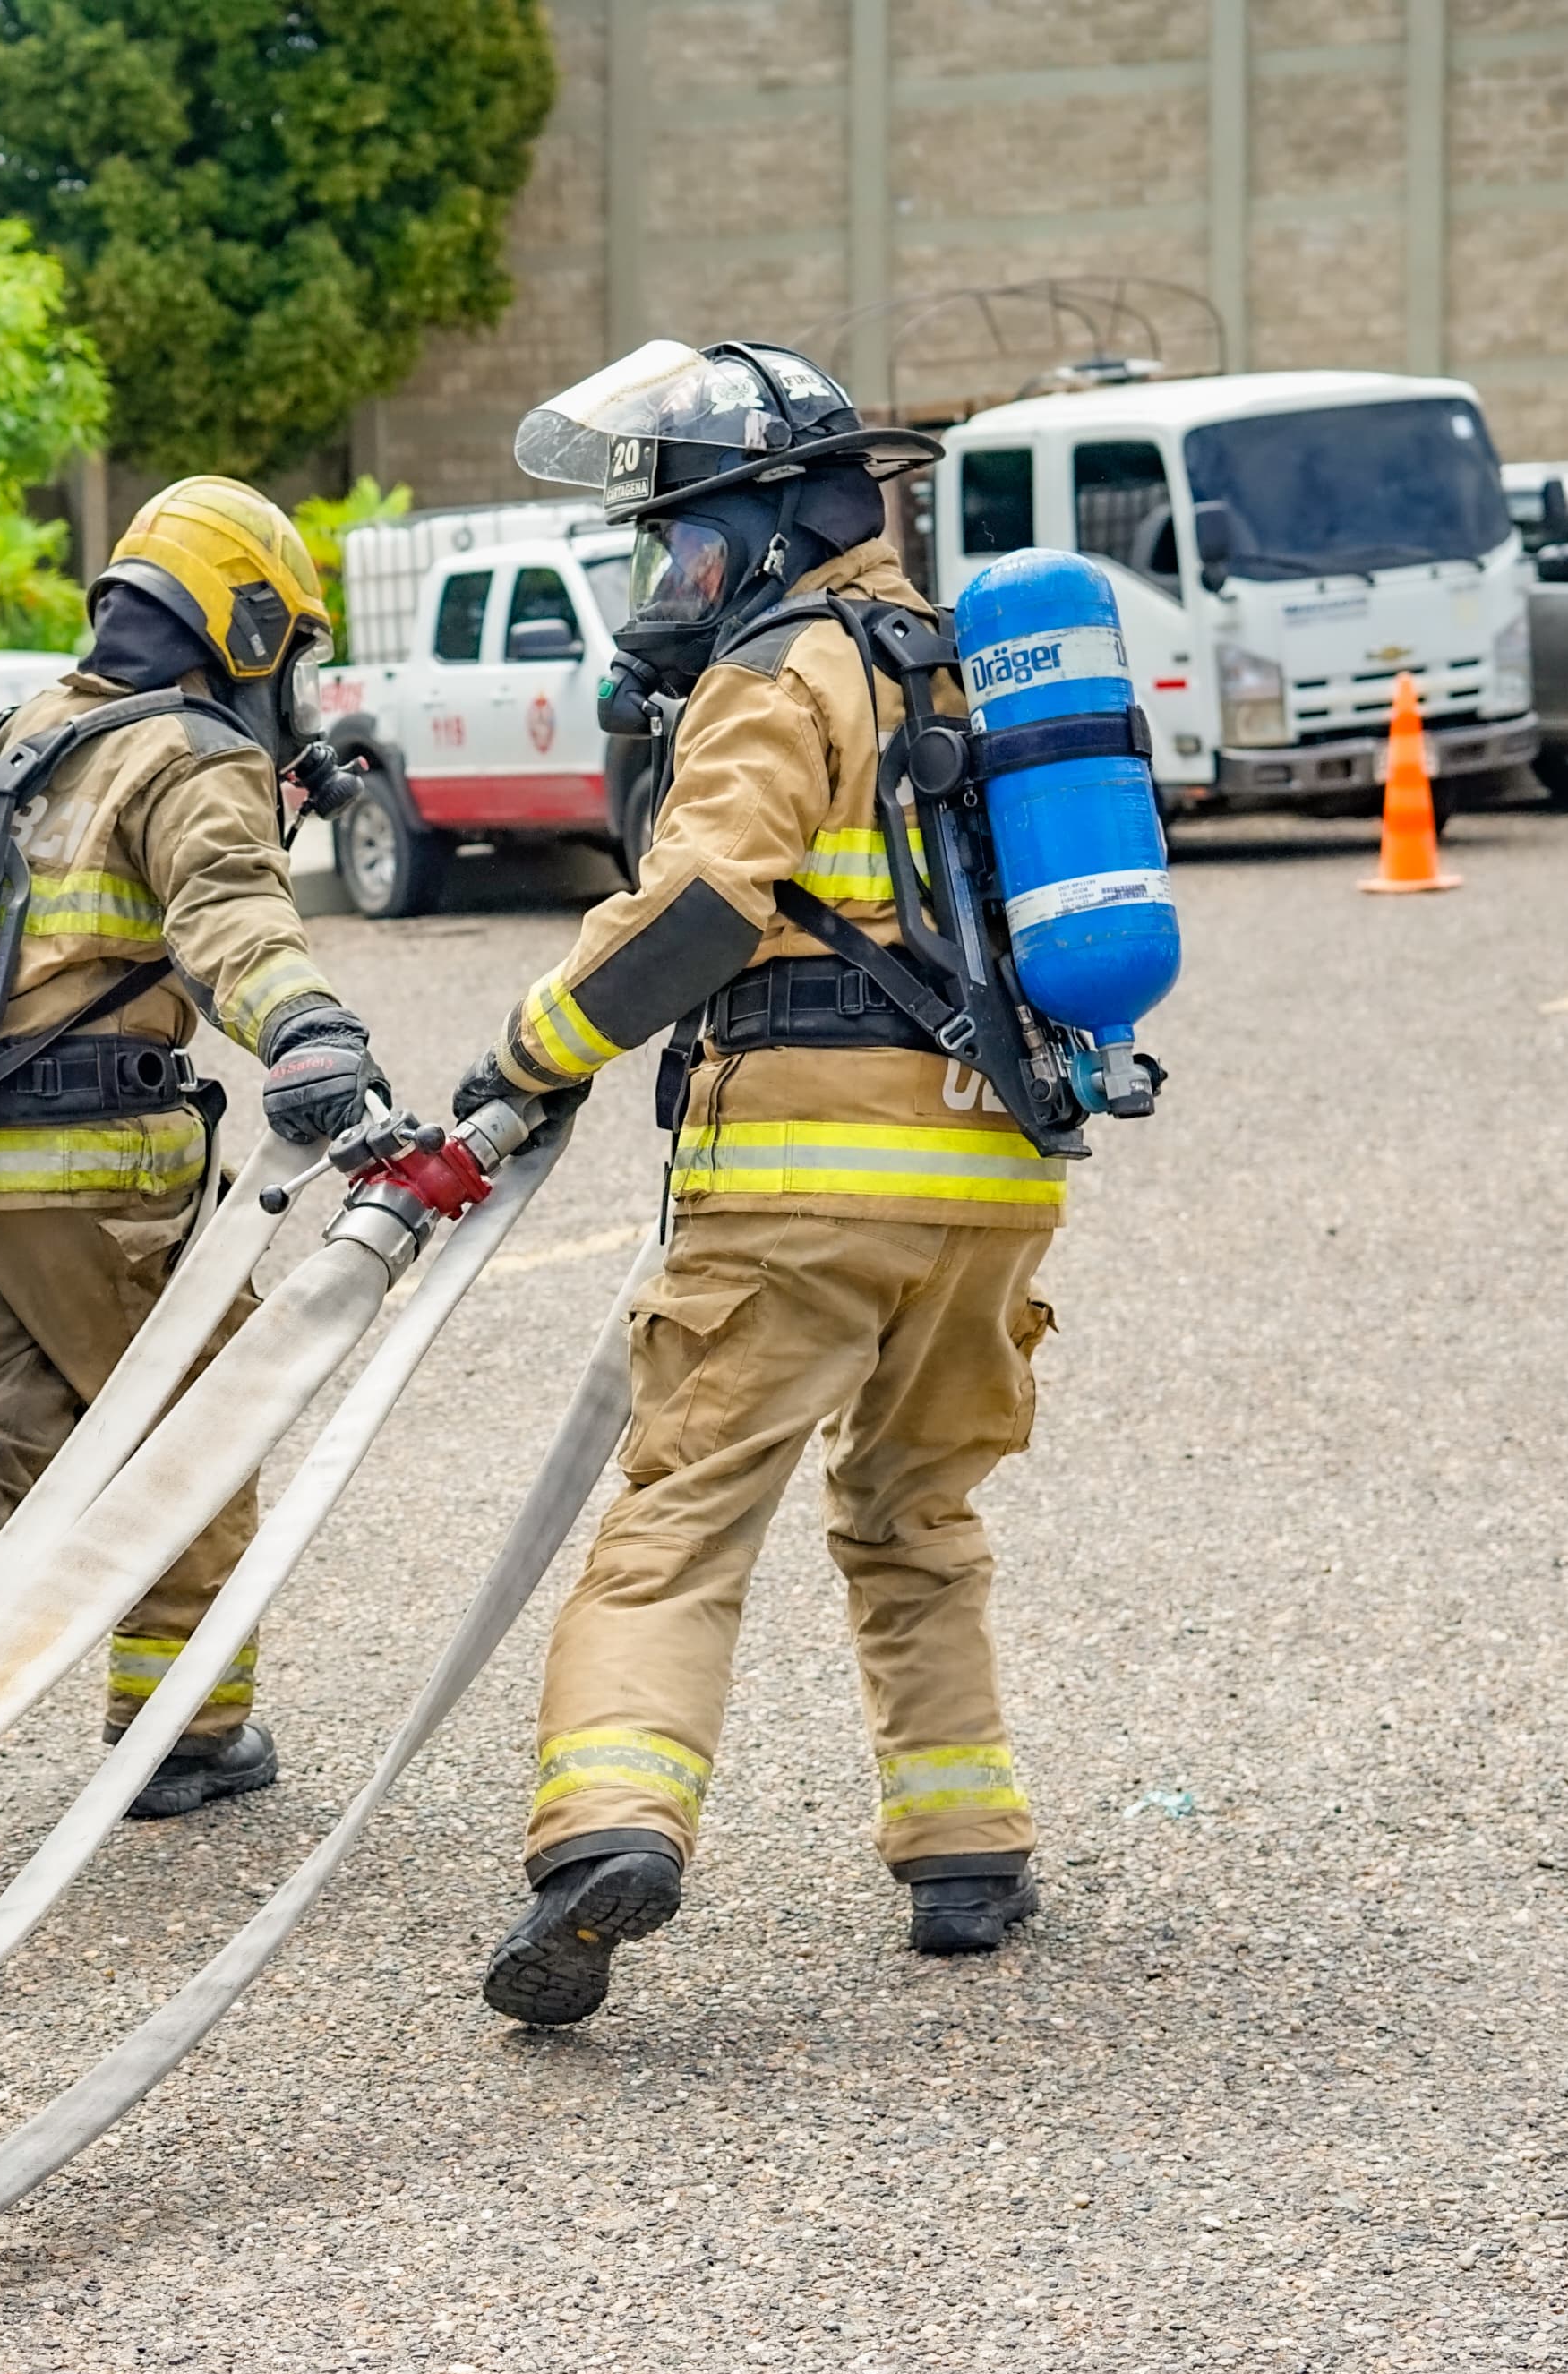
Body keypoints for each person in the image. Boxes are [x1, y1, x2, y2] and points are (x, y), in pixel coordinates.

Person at [458, 340, 1067, 2024]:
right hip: (995, 1170)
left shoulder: (783, 667)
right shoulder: (959, 668)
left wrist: (528, 1053)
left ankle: (607, 1832)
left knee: (681, 1510)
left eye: (685, 541)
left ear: (771, 526)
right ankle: (965, 1853)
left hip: (808, 1169)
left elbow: (707, 901)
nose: (670, 580)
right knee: (915, 1511)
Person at [0, 477, 384, 1895]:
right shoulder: (190, 752)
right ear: (245, 621)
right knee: (205, 1425)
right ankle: (181, 1735)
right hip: (93, 1175)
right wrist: (307, 1029)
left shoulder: (15, 739)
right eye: (287, 646)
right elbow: (227, 912)